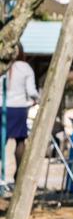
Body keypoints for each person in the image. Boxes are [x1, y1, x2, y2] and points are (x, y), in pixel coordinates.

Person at [2, 44, 39, 179]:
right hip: (18, 108)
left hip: (2, 107)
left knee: (2, 139)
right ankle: (19, 174)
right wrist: (38, 99)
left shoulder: (2, 66)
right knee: (20, 141)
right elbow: (31, 91)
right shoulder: (25, 67)